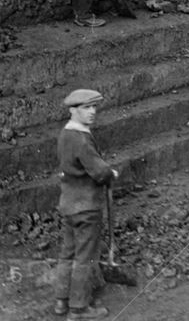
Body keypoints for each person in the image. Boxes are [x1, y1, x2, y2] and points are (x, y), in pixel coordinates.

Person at [54, 88, 118, 318]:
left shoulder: (65, 134)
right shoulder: (81, 140)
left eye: (94, 107)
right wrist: (110, 173)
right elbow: (99, 171)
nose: (92, 112)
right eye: (86, 108)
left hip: (69, 204)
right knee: (84, 258)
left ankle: (61, 302)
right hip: (86, 207)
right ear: (73, 110)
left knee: (67, 253)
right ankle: (79, 308)